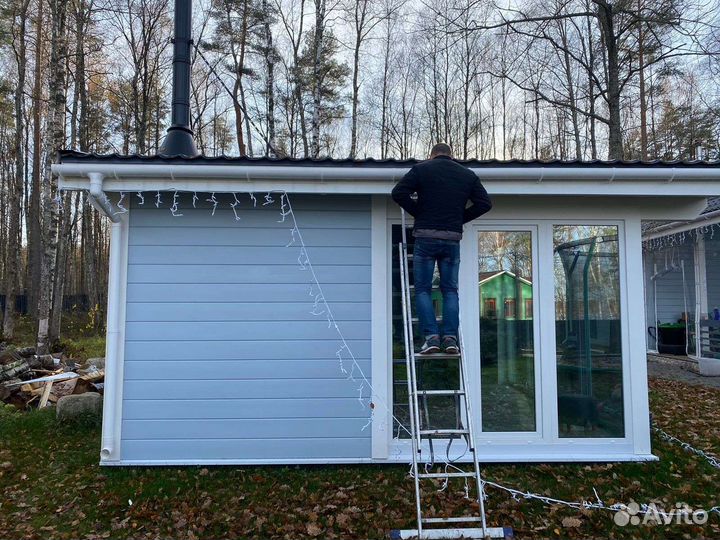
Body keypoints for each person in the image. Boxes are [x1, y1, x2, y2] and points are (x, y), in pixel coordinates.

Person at [391, 143, 492, 354]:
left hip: (425, 238)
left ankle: (431, 337)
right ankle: (450, 338)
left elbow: (398, 192)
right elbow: (484, 203)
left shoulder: (421, 169)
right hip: (451, 240)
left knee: (422, 289)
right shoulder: (467, 175)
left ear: (432, 154)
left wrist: (418, 212)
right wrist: (458, 219)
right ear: (451, 155)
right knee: (450, 290)